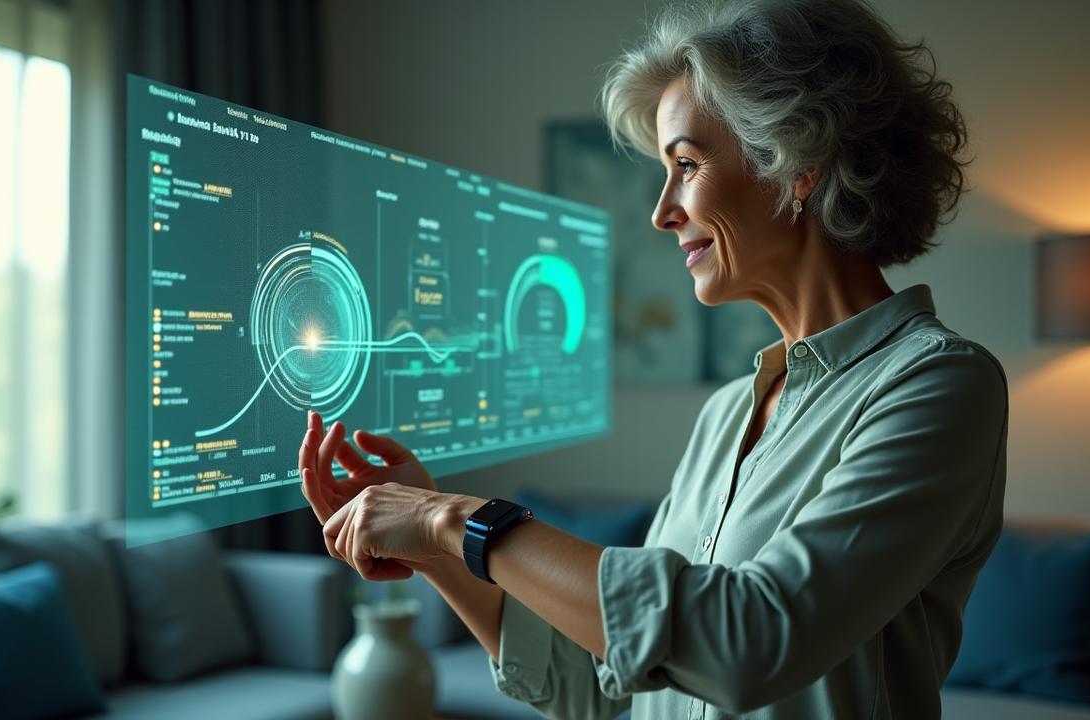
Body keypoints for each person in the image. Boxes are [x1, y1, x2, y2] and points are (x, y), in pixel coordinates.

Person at [297, 0, 1008, 717]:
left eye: (687, 165)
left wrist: (456, 520)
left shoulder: (937, 384)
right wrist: (434, 550)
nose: (662, 211)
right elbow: (606, 686)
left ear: (800, 164)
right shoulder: (728, 414)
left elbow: (752, 642)